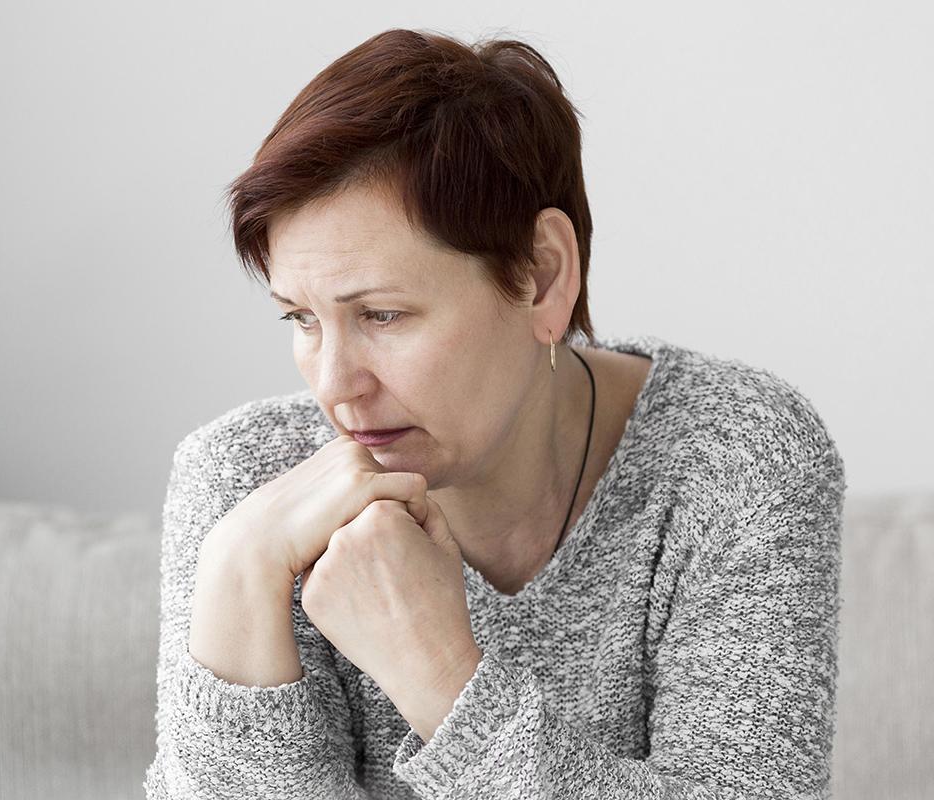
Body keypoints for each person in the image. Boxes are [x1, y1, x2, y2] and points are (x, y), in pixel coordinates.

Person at [144, 28, 846, 800]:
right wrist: (238, 570)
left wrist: (438, 673)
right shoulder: (244, 488)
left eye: (382, 315)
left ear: (542, 276)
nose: (335, 387)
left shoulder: (738, 456)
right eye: (301, 319)